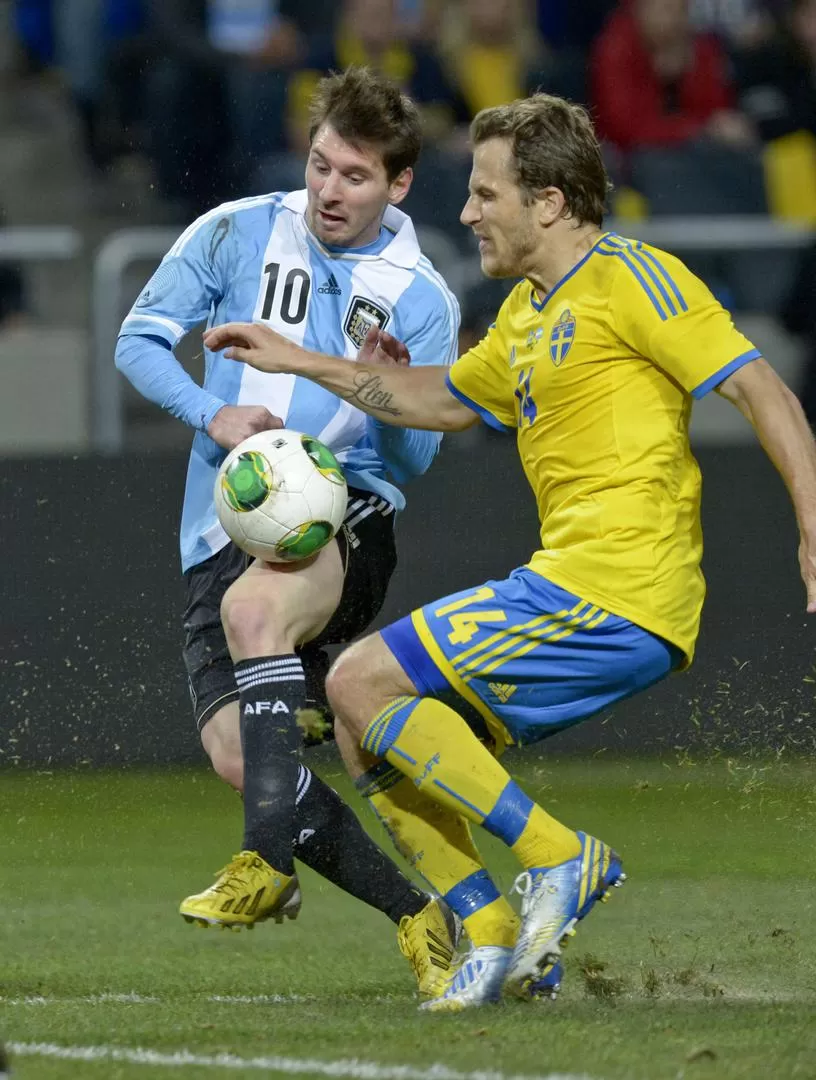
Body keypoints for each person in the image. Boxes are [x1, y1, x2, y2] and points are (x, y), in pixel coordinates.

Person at [202, 92, 816, 1011]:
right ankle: (486, 932)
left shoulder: (635, 279)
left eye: (487, 193)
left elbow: (762, 387)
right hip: (588, 590)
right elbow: (438, 396)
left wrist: (813, 522)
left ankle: (557, 857)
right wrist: (303, 360)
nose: (466, 211)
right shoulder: (530, 314)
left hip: (613, 585)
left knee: (356, 682)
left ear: (552, 202)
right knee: (375, 731)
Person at [115, 66, 466, 1000]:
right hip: (219, 526)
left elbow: (415, 465)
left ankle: (264, 860)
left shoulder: (421, 296)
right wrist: (210, 414)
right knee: (243, 758)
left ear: (398, 184)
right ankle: (429, 919)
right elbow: (138, 339)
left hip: (347, 514)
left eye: (354, 175)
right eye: (320, 166)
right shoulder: (233, 230)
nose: (328, 190)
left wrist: (385, 395)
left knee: (255, 607)